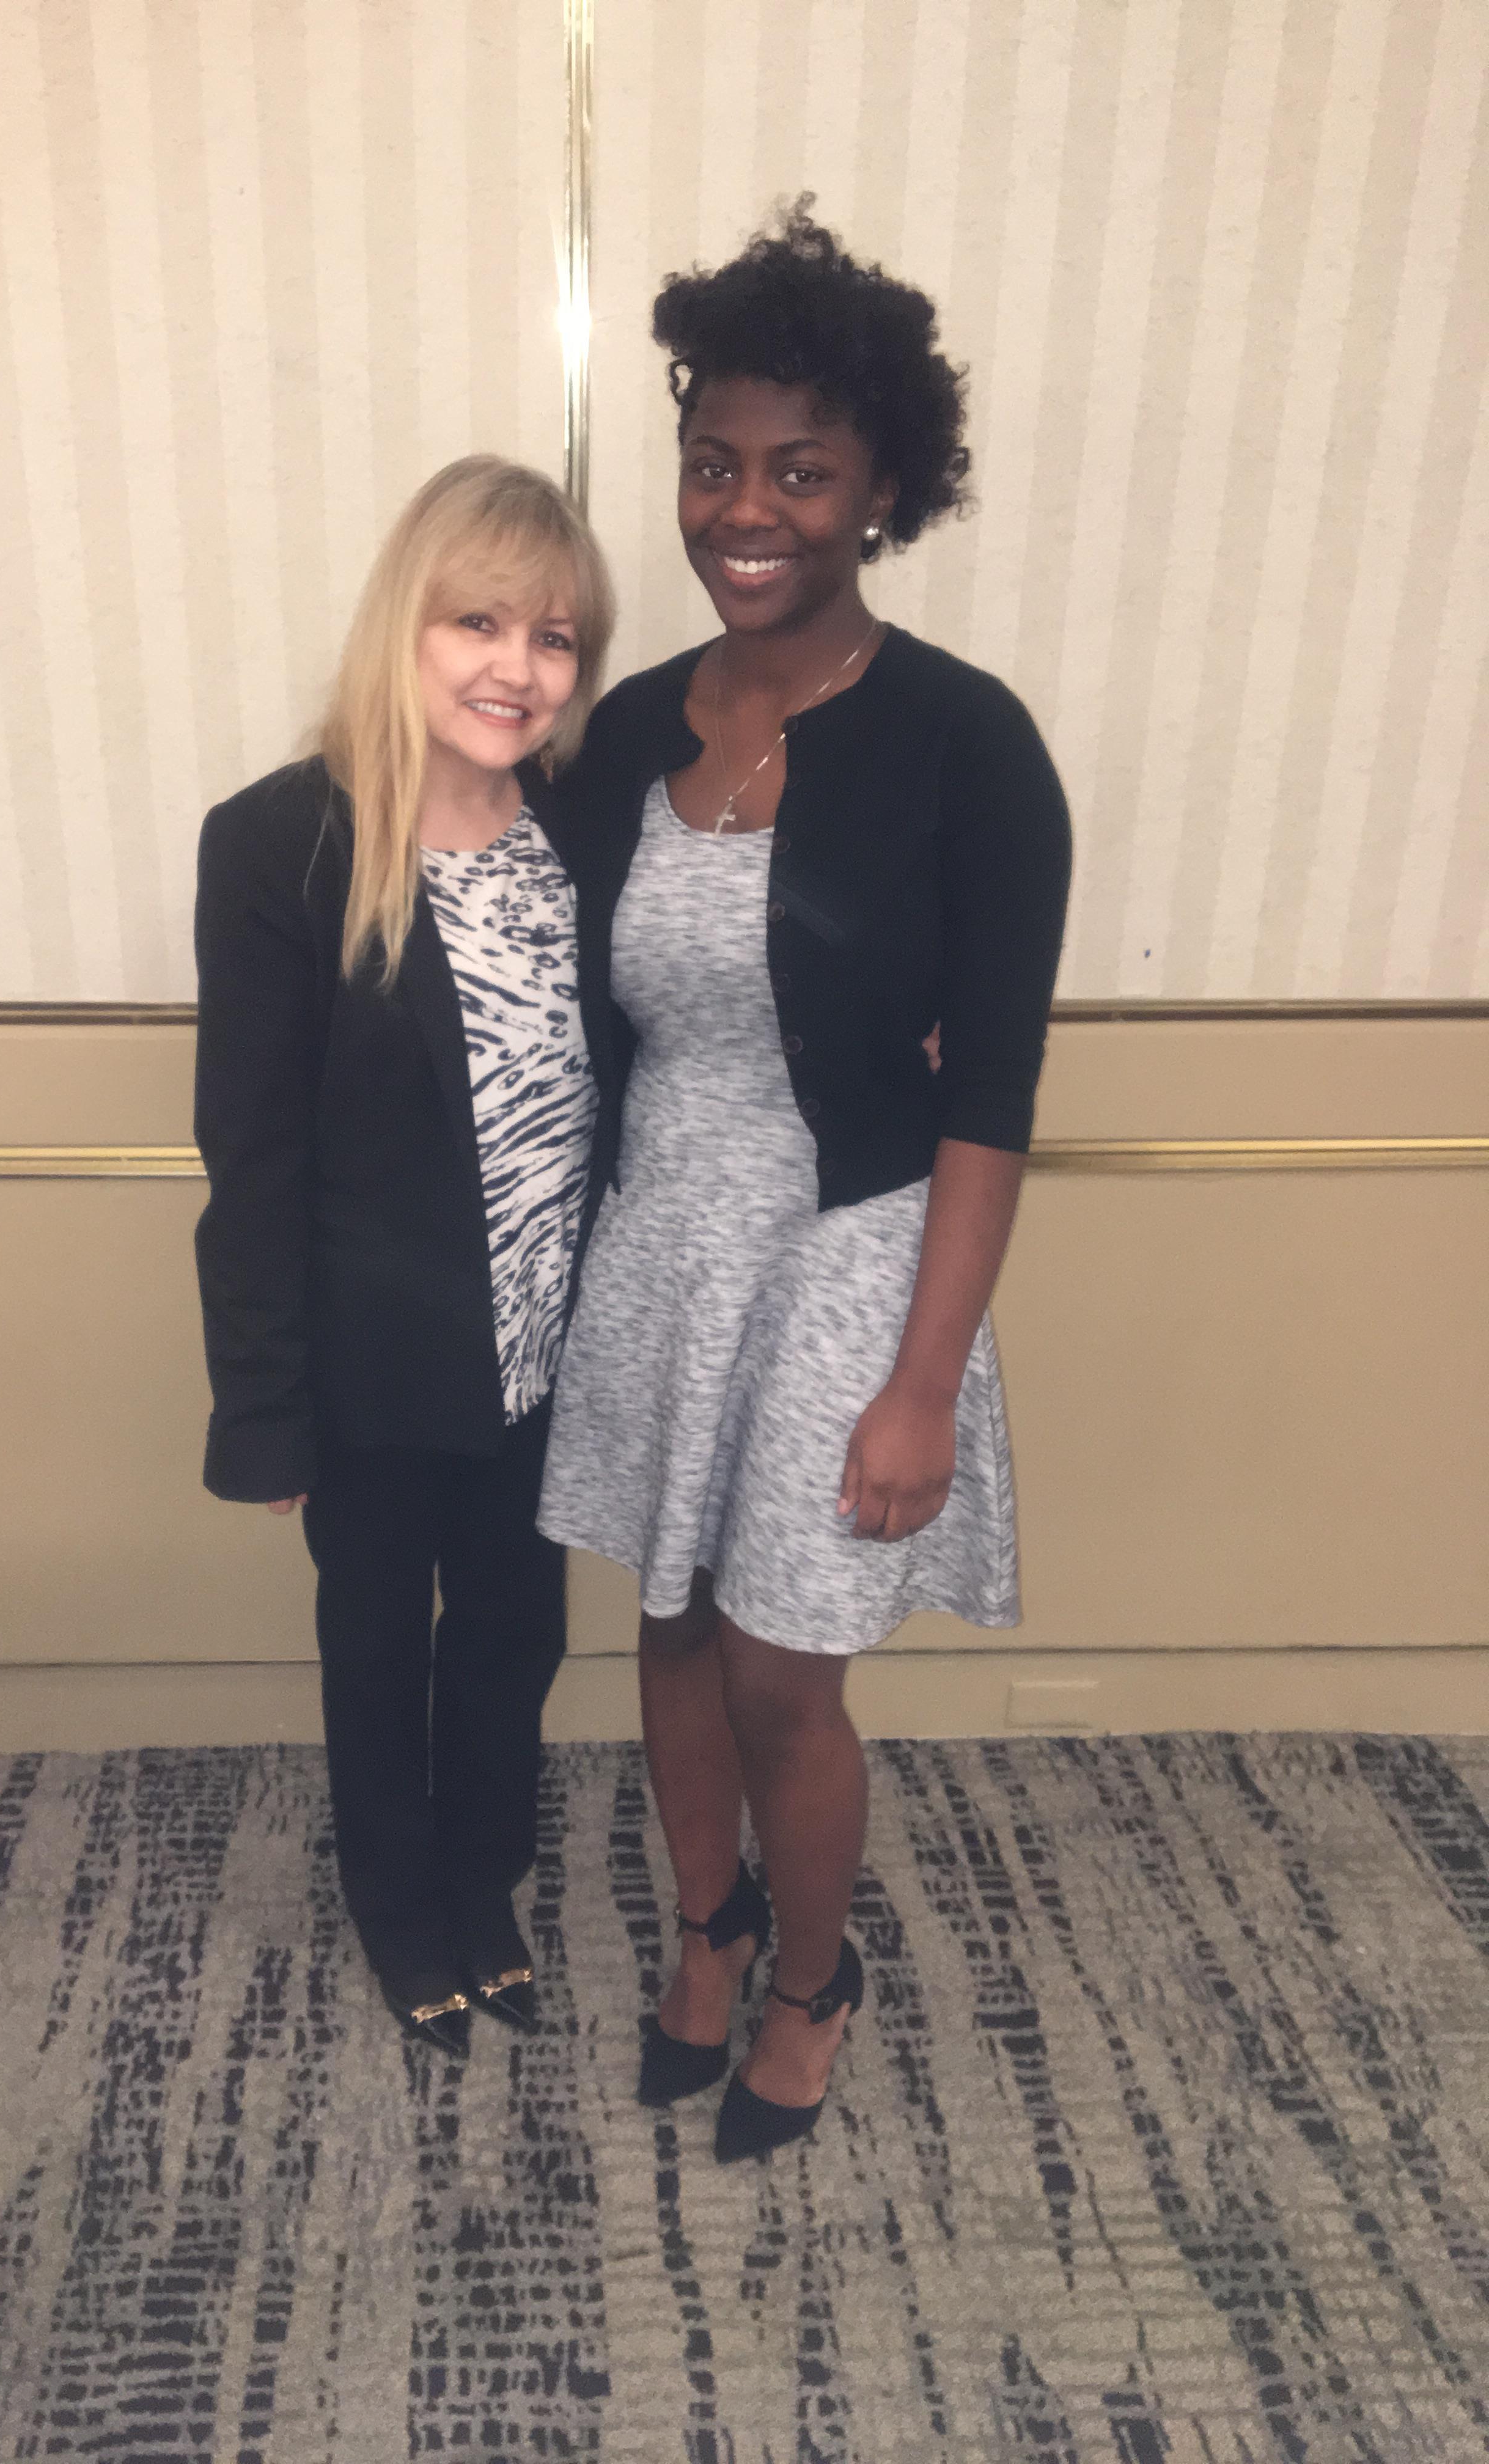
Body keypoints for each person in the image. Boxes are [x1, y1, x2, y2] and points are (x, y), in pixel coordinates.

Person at [540, 204, 1072, 2160]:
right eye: (714, 461)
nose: (743, 508)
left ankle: (810, 1981)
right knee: (668, 1624)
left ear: (878, 493)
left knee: (783, 1668)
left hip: (855, 1240)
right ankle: (707, 1925)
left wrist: (925, 1381)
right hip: (660, 1229)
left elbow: (990, 1097)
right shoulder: (618, 738)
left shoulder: (966, 746)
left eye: (800, 470)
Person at [193, 456, 616, 2055]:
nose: (519, 666)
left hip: (550, 1355)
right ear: (408, 624)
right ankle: (396, 1901)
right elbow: (254, 1160)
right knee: (378, 1644)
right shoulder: (285, 846)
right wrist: (266, 1409)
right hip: (372, 1367)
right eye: (481, 621)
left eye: (558, 638)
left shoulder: (585, 834)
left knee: (517, 1638)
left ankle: (484, 1878)